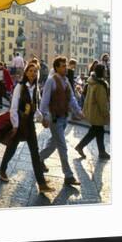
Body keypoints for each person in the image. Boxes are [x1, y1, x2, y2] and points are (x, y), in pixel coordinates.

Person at [0, 63, 54, 193]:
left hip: (29, 124)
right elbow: (13, 107)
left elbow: (35, 108)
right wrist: (15, 125)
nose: (33, 73)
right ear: (26, 72)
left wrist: (42, 119)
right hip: (19, 122)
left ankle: (41, 183)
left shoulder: (35, 88)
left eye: (35, 71)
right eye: (31, 71)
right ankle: (2, 169)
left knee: (35, 152)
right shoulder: (20, 86)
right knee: (11, 148)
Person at [39, 56, 85, 186]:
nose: (66, 68)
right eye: (63, 66)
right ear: (57, 67)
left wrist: (78, 112)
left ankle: (38, 159)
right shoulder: (51, 81)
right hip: (55, 119)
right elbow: (44, 101)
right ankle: (68, 176)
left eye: (66, 65)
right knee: (62, 147)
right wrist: (45, 117)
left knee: (53, 143)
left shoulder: (66, 81)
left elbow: (71, 99)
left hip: (64, 118)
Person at [74, 64, 111, 160]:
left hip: (92, 111)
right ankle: (81, 146)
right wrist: (107, 114)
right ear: (101, 72)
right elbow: (102, 102)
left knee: (99, 131)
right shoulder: (100, 85)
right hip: (97, 113)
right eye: (105, 70)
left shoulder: (92, 81)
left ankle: (101, 152)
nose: (106, 72)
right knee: (95, 131)